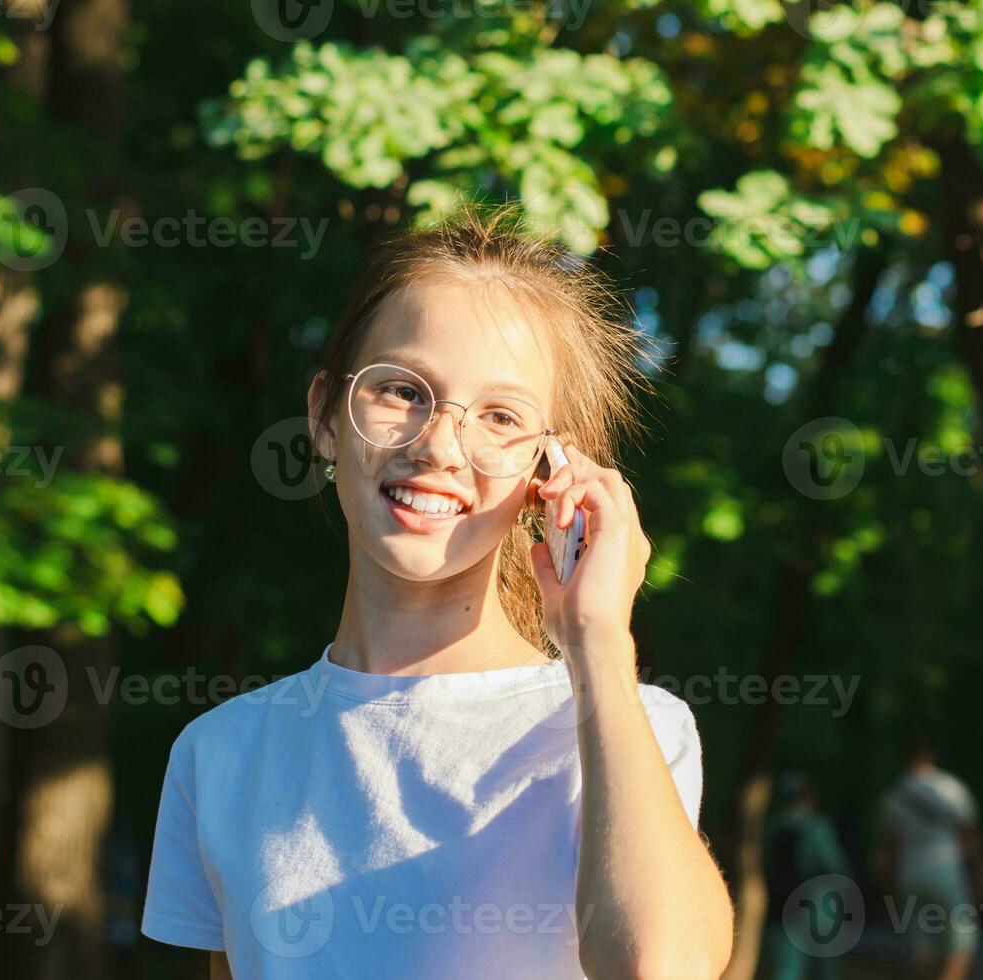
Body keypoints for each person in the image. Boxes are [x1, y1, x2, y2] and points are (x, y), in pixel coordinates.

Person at [139, 208, 734, 978]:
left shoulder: (626, 726)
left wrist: (598, 647)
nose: (438, 445)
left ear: (547, 473)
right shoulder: (221, 753)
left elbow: (661, 966)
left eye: (500, 416)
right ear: (325, 415)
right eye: (401, 390)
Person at [871, 735, 983, 980]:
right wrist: (980, 874)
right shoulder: (952, 787)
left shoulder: (892, 796)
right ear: (930, 757)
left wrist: (882, 885)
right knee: (962, 942)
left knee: (921, 948)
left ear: (904, 760)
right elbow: (969, 837)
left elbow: (886, 849)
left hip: (909, 873)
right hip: (946, 870)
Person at [759, 773, 856, 980]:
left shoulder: (773, 827)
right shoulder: (817, 827)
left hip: (780, 906)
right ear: (809, 797)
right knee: (826, 970)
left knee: (786, 970)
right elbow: (835, 865)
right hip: (817, 906)